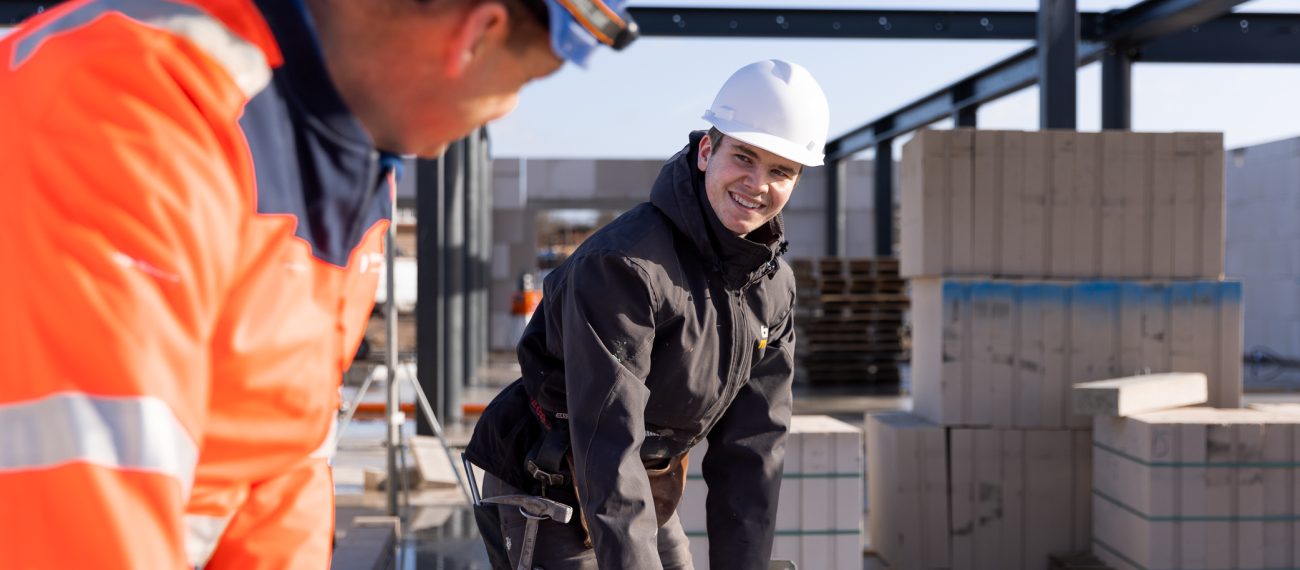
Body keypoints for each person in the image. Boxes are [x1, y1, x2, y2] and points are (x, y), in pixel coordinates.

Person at [0, 0, 637, 567]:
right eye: (520, 82)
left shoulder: (344, 162)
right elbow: (78, 489)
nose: (503, 110)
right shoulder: (135, 95)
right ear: (477, 32)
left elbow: (281, 456)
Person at [465, 59, 831, 570]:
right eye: (744, 158)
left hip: (643, 481)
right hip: (549, 484)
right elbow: (606, 439)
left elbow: (752, 450)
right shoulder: (624, 267)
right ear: (706, 151)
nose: (757, 183)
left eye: (780, 171)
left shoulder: (771, 286)